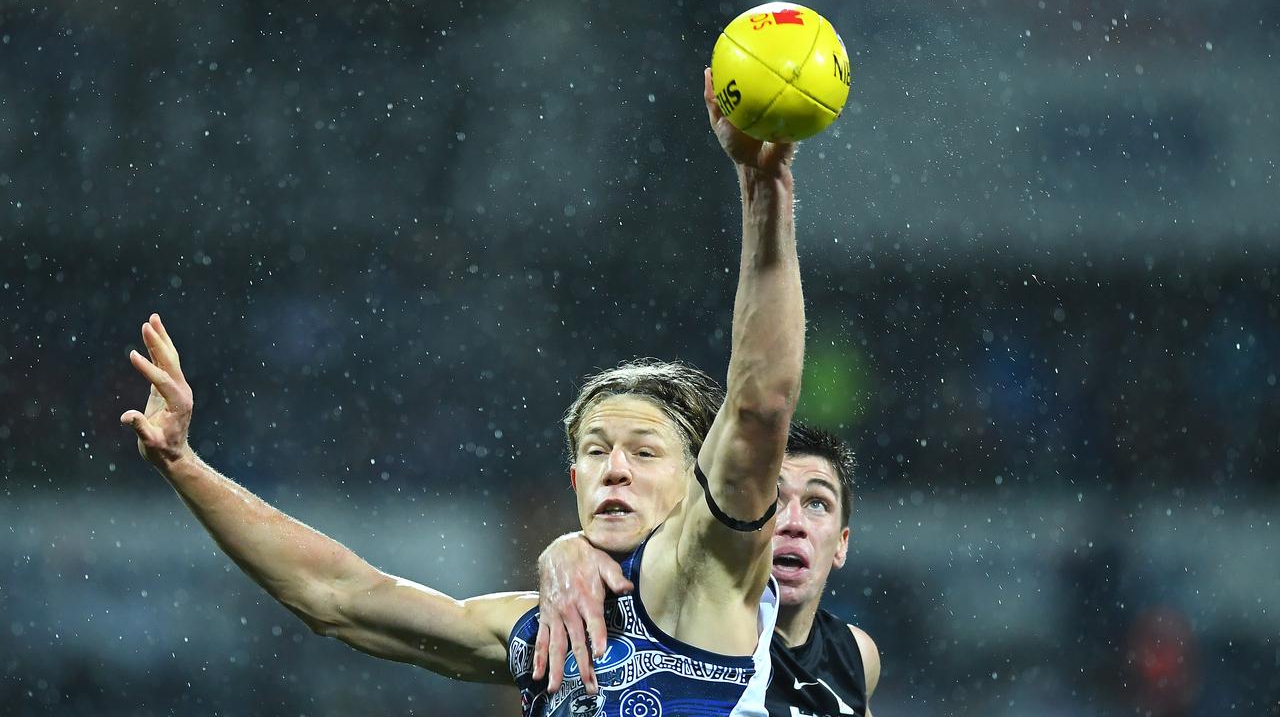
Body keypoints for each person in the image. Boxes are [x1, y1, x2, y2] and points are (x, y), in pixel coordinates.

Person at [119, 67, 804, 715]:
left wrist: (761, 186)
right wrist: (184, 463)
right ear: (572, 477)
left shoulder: (712, 576)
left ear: (700, 482)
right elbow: (337, 598)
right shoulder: (541, 626)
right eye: (596, 451)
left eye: (644, 452)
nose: (614, 467)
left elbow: (759, 404)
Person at [534, 423, 881, 717]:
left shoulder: (856, 655)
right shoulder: (674, 619)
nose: (793, 523)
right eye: (772, 499)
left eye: (817, 503)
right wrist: (569, 548)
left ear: (841, 544)